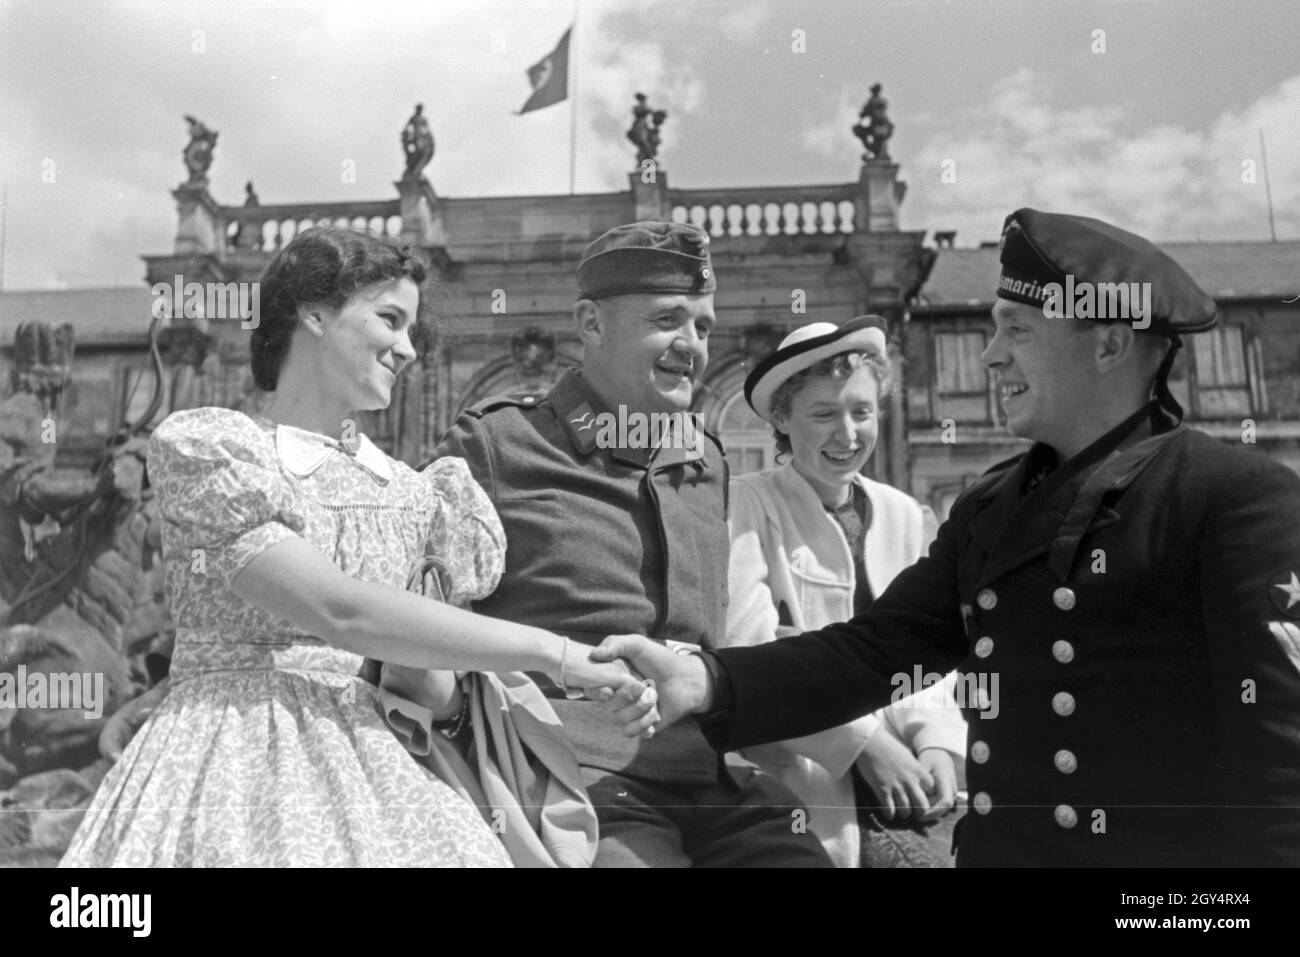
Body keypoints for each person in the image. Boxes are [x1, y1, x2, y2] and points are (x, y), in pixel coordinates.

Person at [596, 208, 1300, 867]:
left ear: (1110, 343)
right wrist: (707, 678)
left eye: (1017, 330)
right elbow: (876, 650)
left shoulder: (1234, 498)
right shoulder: (991, 507)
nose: (991, 356)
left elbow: (1279, 773)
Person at [61, 226, 651, 867]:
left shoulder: (423, 497)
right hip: (229, 753)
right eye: (390, 320)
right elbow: (341, 611)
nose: (407, 350)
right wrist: (556, 653)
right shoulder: (217, 450)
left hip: (383, 760)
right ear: (312, 311)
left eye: (411, 332)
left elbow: (425, 671)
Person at [426, 220, 832, 867]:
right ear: (591, 323)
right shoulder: (497, 446)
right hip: (569, 778)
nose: (693, 345)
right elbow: (415, 613)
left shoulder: (707, 460)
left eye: (703, 325)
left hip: (710, 779)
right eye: (670, 318)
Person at [725, 315, 966, 867]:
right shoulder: (747, 506)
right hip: (794, 779)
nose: (848, 434)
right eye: (823, 415)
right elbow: (751, 655)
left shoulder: (904, 514)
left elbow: (927, 655)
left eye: (862, 411)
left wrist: (935, 744)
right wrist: (864, 744)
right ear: (782, 419)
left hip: (904, 784)